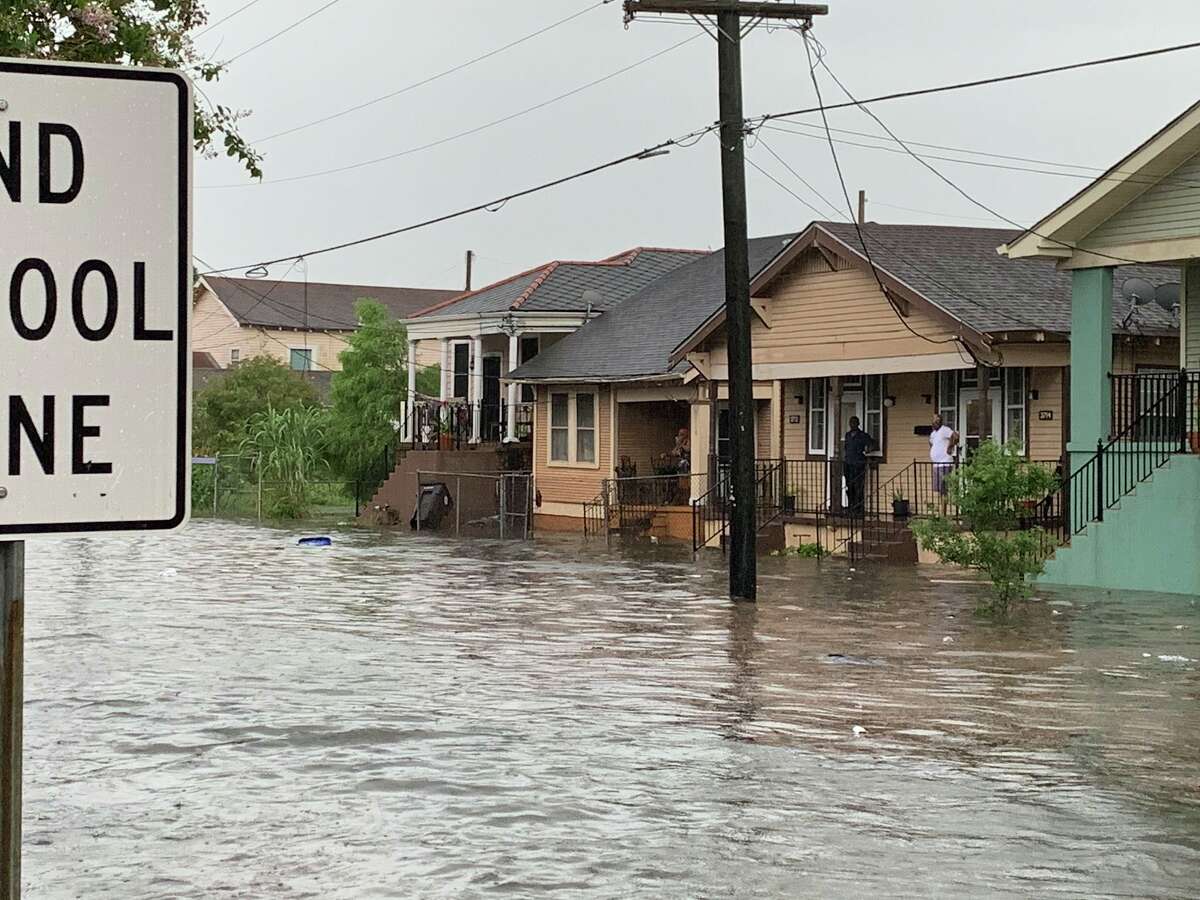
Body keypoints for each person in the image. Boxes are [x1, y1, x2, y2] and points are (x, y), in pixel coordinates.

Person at [842, 416, 877, 517]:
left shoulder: (863, 435)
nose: (852, 424)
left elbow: (872, 444)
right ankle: (850, 506)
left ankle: (859, 508)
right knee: (849, 486)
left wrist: (867, 450)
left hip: (859, 464)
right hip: (848, 463)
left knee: (858, 486)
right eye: (851, 422)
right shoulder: (848, 435)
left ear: (858, 424)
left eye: (854, 422)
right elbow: (846, 448)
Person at [929, 413, 960, 512]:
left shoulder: (945, 430)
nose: (935, 422)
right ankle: (941, 511)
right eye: (934, 420)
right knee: (939, 489)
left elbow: (955, 436)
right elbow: (931, 443)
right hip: (936, 464)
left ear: (940, 421)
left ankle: (944, 513)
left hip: (945, 463)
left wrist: (950, 447)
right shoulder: (933, 433)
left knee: (944, 489)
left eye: (937, 420)